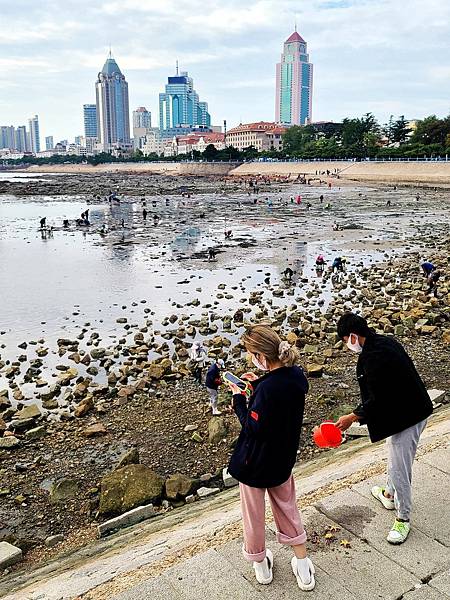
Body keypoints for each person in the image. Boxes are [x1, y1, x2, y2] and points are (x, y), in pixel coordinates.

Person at [225, 325, 315, 590]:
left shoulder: (267, 390)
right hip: (282, 460)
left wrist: (238, 399)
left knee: (253, 516)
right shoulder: (296, 377)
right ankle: (302, 567)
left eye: (251, 353)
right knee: (288, 509)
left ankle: (261, 566)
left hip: (253, 464)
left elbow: (253, 428)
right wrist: (256, 384)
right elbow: (277, 399)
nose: (250, 358)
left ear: (261, 357)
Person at [334, 313, 433, 545]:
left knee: (400, 468)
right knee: (395, 456)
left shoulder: (375, 358)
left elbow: (379, 397)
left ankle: (403, 518)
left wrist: (353, 416)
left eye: (345, 340)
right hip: (412, 407)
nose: (347, 346)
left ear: (353, 336)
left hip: (408, 417)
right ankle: (389, 495)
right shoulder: (383, 342)